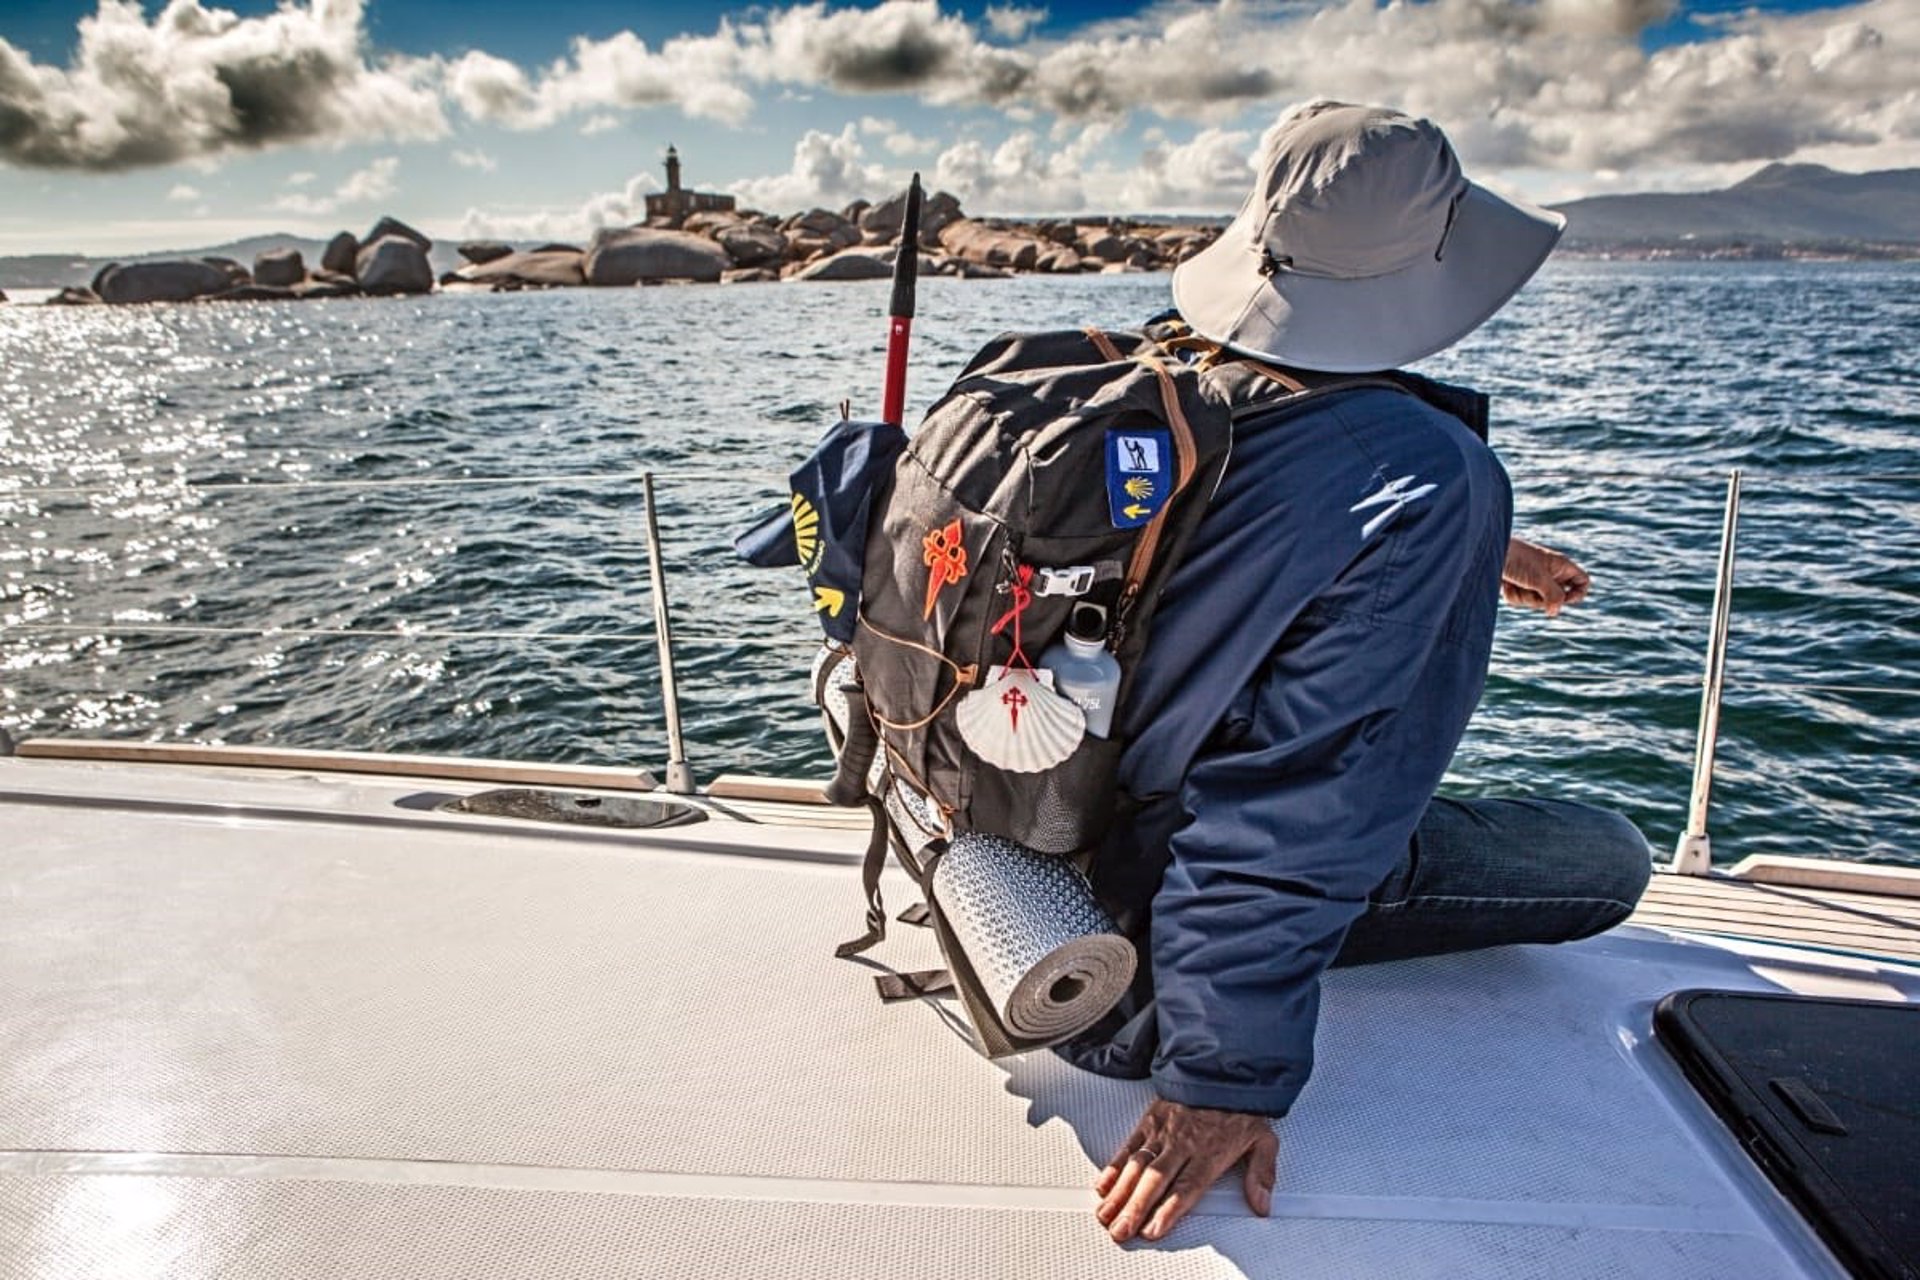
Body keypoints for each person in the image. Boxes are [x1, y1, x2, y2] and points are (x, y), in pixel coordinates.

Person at [1051, 101, 1654, 1244]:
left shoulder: (1146, 376)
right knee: (1609, 856)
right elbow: (1305, 800)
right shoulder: (1431, 480)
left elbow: (1229, 537)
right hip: (1153, 896)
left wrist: (1482, 548)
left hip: (1037, 840)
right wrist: (1218, 1077)